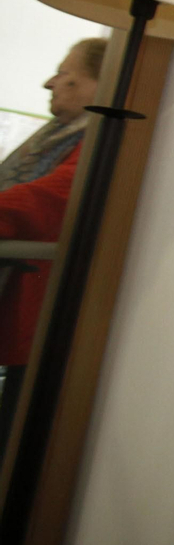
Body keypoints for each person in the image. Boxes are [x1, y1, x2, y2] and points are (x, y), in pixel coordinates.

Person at [0, 36, 107, 410]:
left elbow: (45, 200)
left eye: (65, 74)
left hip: (42, 322)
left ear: (99, 83)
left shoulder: (101, 139)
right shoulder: (57, 138)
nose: (50, 83)